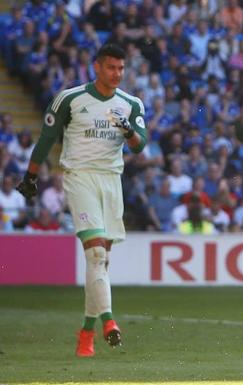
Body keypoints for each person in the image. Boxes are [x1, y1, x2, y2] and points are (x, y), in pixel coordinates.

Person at [16, 44, 147, 357]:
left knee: (100, 261)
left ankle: (86, 333)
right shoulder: (70, 99)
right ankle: (108, 322)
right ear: (97, 67)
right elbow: (47, 138)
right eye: (111, 67)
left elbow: (140, 146)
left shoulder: (130, 103)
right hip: (79, 178)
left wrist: (127, 130)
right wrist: (31, 176)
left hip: (111, 182)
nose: (117, 74)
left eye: (121, 68)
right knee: (97, 255)